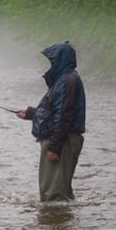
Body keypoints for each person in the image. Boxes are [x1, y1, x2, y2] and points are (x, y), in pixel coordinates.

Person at [17, 42, 86, 202]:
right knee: (59, 195)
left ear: (60, 60)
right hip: (62, 139)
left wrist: (55, 148)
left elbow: (65, 116)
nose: (50, 64)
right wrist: (31, 114)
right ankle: (63, 225)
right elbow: (55, 111)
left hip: (62, 142)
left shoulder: (67, 80)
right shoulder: (65, 79)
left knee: (53, 197)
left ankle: (56, 225)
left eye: (52, 60)